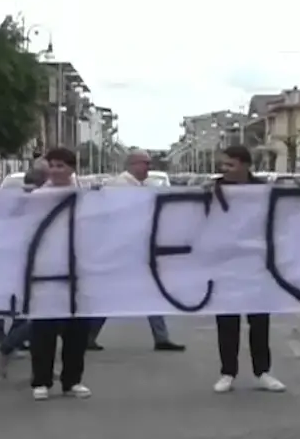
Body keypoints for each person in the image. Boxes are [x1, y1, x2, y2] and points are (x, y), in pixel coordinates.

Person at [86, 150, 184, 352]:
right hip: (120, 250)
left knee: (152, 292)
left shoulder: (147, 187)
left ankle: (161, 337)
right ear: (132, 164)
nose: (148, 167)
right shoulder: (116, 187)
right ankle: (88, 336)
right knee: (110, 295)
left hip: (141, 249)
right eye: (145, 163)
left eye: (149, 163)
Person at [211, 145, 284, 395]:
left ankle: (263, 372)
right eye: (223, 165)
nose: (225, 169)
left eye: (230, 165)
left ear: (245, 165)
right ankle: (227, 372)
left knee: (259, 321)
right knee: (227, 321)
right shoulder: (213, 189)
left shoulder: (263, 190)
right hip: (226, 263)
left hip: (257, 263)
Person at [26, 147, 92, 400]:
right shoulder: (38, 197)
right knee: (44, 327)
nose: (55, 170)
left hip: (78, 269)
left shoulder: (85, 196)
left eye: (60, 166)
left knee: (77, 329)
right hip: (46, 269)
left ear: (72, 168)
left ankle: (72, 380)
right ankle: (41, 380)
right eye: (52, 165)